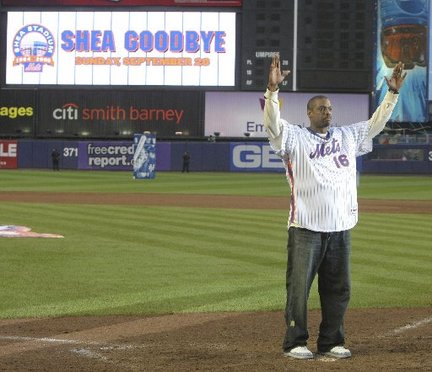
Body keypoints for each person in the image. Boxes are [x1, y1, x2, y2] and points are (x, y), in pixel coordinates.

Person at [263, 55, 406, 360]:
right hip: (306, 227)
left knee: (338, 290)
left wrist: (392, 94)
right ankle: (295, 341)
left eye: (330, 108)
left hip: (341, 227)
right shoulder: (294, 136)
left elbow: (376, 123)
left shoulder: (347, 136)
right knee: (298, 289)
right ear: (309, 112)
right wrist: (272, 92)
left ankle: (331, 341)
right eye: (321, 108)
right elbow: (273, 125)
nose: (327, 112)